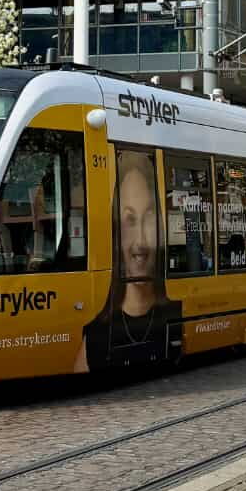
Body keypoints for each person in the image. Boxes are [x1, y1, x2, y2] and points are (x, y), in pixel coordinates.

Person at [79, 149, 182, 372]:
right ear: (116, 229)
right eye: (130, 220)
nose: (141, 242)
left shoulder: (181, 314)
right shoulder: (92, 336)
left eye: (149, 218)